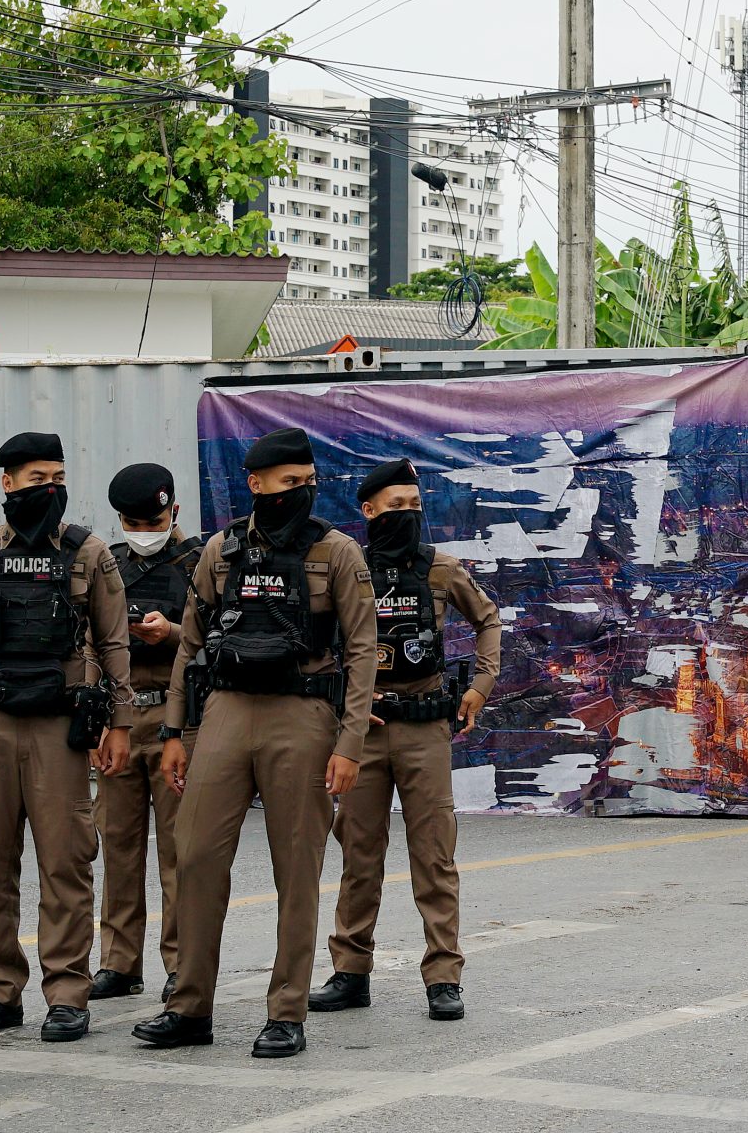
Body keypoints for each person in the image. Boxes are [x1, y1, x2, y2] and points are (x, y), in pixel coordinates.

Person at [131, 427, 377, 1060]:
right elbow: (190, 644)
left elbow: (362, 652)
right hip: (226, 713)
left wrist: (349, 742)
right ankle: (189, 1006)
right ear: (257, 485)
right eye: (288, 482)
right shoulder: (221, 550)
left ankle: (286, 1010)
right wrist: (177, 733)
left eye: (308, 481)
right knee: (195, 856)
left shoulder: (338, 552)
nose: (301, 492)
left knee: (297, 867)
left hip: (302, 715)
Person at [0, 431, 136, 1042]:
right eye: (39, 478)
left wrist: (120, 723)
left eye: (58, 477)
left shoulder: (88, 553)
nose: (50, 489)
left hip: (60, 727)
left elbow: (115, 643)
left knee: (66, 859)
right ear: (7, 483)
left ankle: (68, 992)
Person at [311, 459, 502, 1022]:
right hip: (363, 734)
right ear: (368, 511)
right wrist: (340, 704)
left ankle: (443, 976)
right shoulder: (350, 570)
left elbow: (488, 617)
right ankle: (350, 972)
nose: (408, 516)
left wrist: (482, 686)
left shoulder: (440, 570)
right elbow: (319, 642)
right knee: (359, 854)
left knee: (434, 855)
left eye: (415, 507)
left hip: (424, 729)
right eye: (396, 507)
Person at [90, 463, 203, 1004]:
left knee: (181, 851)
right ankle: (119, 961)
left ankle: (182, 963)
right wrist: (95, 721)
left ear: (174, 510)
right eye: (132, 522)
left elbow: (217, 639)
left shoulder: (200, 562)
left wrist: (172, 632)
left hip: (177, 722)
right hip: (120, 718)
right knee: (118, 844)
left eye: (153, 520)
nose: (143, 530)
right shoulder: (106, 563)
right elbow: (88, 643)